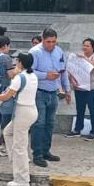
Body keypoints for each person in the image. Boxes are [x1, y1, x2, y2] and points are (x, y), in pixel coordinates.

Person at [0, 53, 38, 186]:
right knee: (8, 133)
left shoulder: (19, 78)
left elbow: (6, 96)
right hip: (30, 110)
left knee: (19, 146)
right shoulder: (32, 76)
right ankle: (18, 160)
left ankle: (22, 179)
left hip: (23, 112)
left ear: (20, 63)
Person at [30, 28, 70, 167]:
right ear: (43, 40)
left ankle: (46, 150)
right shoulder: (35, 52)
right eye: (48, 42)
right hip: (39, 92)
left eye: (54, 41)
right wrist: (45, 75)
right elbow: (29, 72)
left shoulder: (58, 51)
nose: (51, 45)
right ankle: (37, 154)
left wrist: (67, 89)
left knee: (50, 123)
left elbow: (63, 71)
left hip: (54, 92)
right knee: (39, 123)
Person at [66, 38, 94, 141]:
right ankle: (78, 129)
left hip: (92, 89)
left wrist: (84, 58)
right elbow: (71, 70)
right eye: (84, 45)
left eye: (87, 46)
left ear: (92, 48)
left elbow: (92, 65)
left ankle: (93, 131)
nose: (84, 48)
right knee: (80, 109)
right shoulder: (78, 57)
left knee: (93, 110)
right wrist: (72, 80)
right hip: (80, 88)